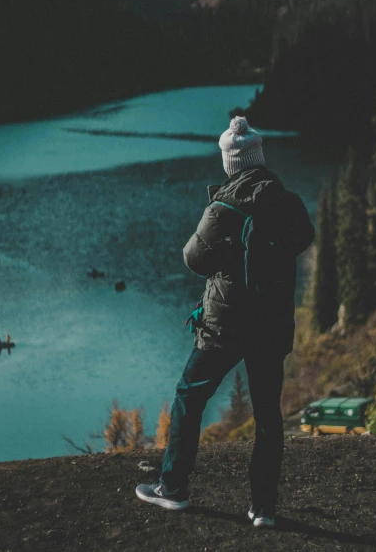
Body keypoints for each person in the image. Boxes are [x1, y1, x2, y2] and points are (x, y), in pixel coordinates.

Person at [136, 116, 314, 528]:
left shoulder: (222, 207)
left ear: (230, 163)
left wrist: (229, 257)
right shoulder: (286, 201)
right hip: (270, 325)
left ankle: (174, 489)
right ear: (259, 157)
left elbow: (193, 258)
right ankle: (263, 508)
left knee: (189, 397)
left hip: (225, 325)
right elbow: (303, 238)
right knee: (268, 412)